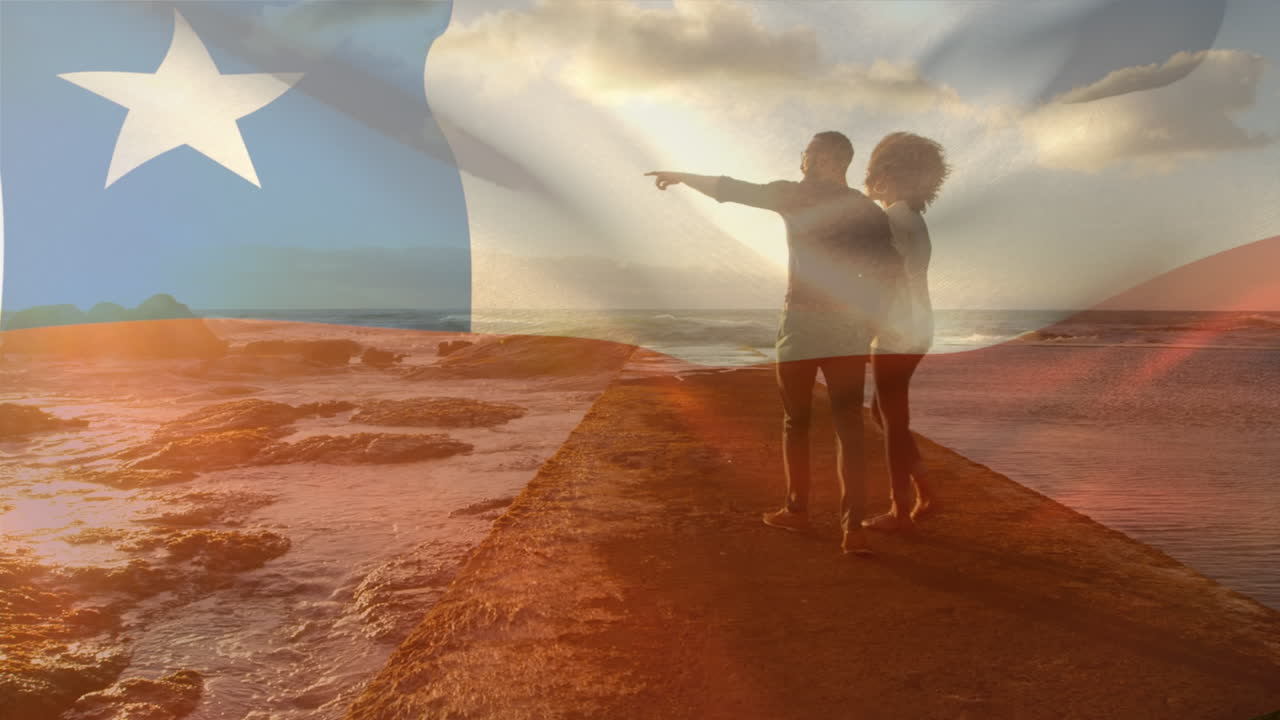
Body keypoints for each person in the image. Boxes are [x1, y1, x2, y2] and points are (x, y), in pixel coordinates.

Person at [645, 131, 900, 556]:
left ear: (809, 158)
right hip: (848, 327)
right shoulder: (863, 208)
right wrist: (874, 319)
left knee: (796, 422)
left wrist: (681, 176)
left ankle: (797, 512)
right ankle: (852, 529)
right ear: (844, 163)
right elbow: (891, 269)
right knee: (847, 428)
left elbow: (731, 190)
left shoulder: (794, 195)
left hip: (801, 322)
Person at [860, 132, 950, 532]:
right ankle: (927, 491)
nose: (873, 184)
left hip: (897, 326)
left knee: (892, 417)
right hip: (919, 323)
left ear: (891, 174)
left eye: (877, 175)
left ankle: (899, 512)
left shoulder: (892, 218)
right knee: (884, 411)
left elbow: (884, 279)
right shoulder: (913, 218)